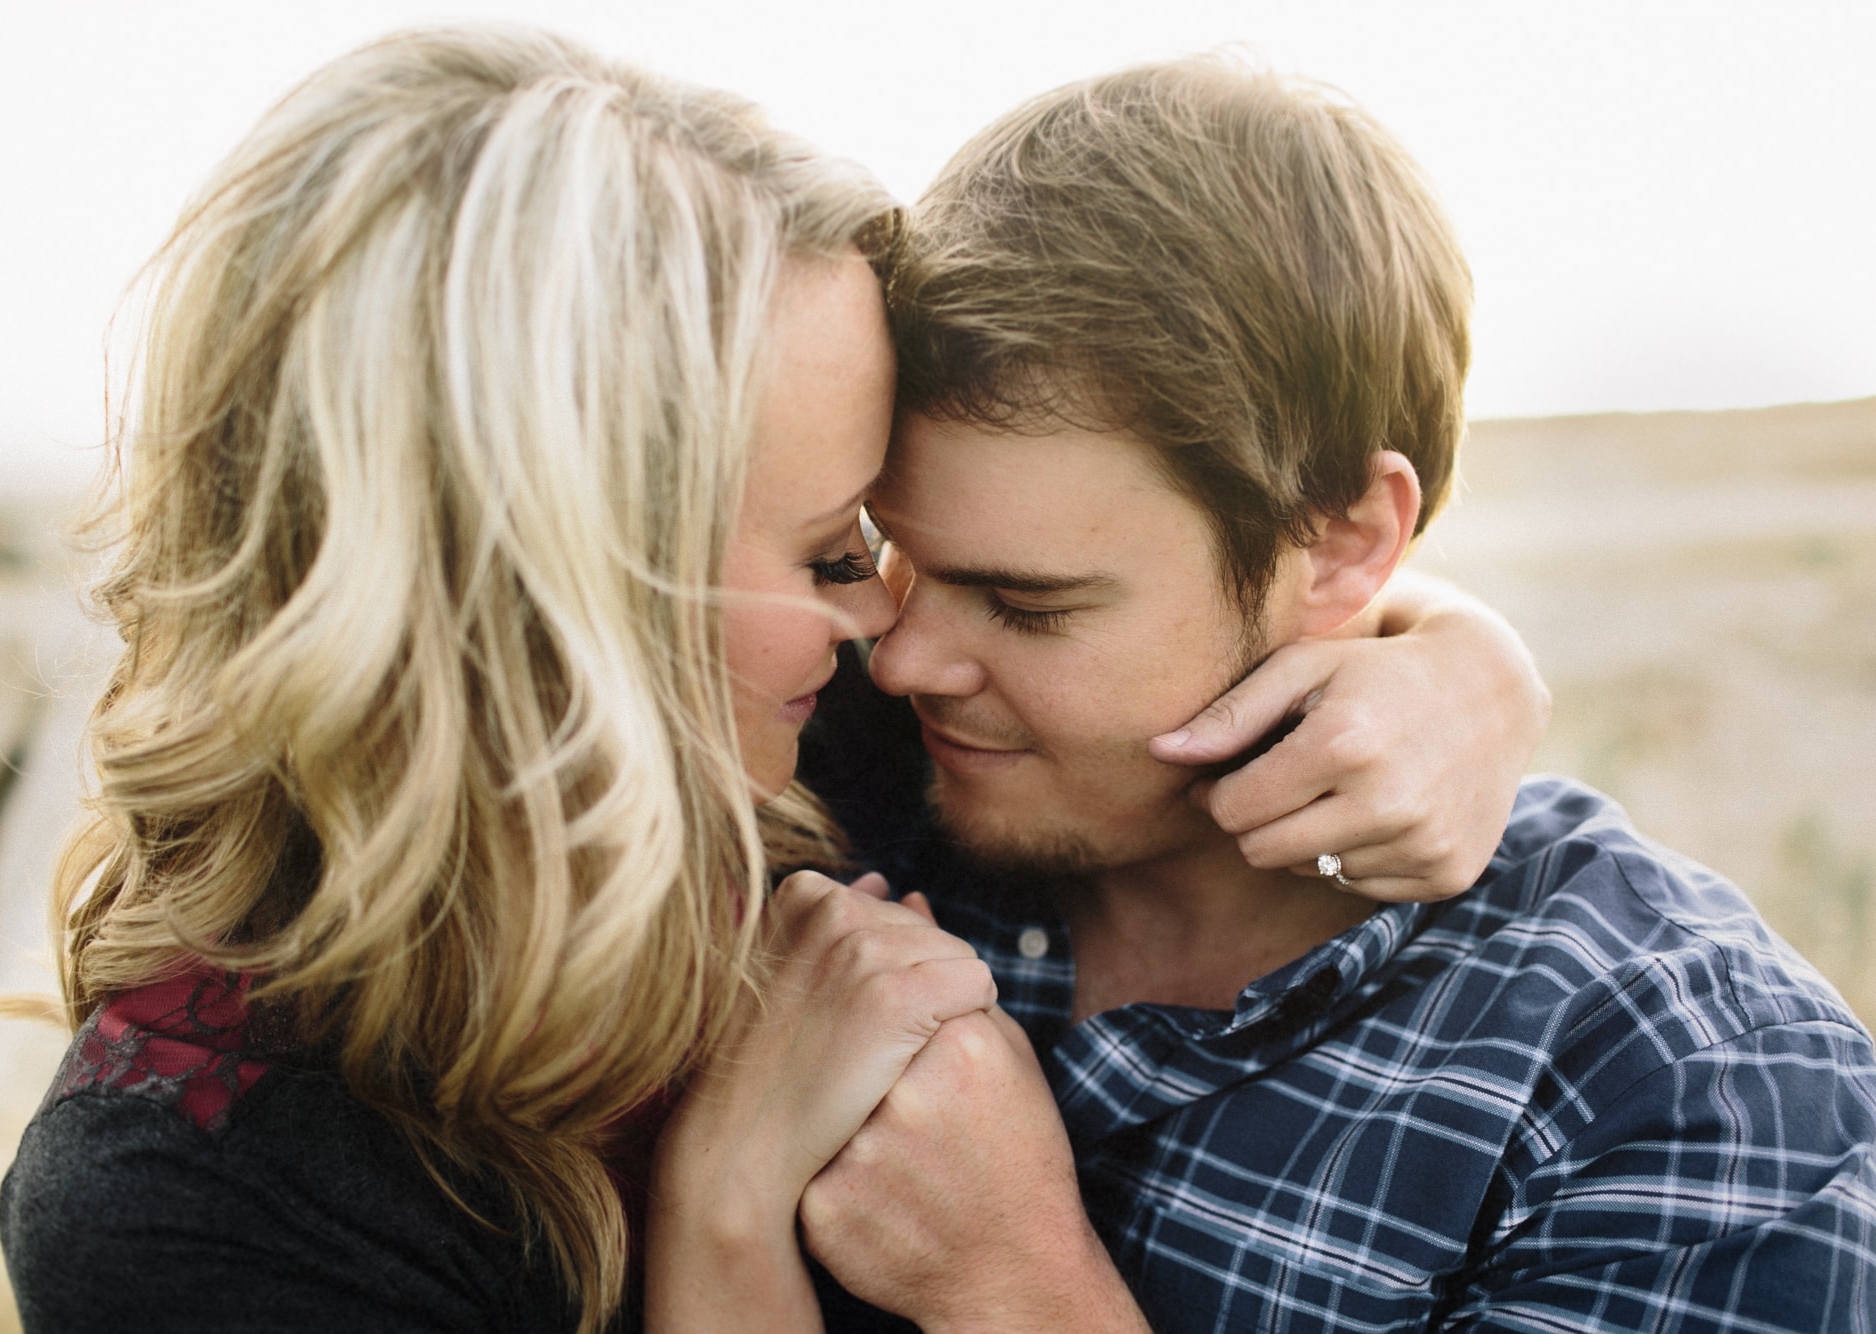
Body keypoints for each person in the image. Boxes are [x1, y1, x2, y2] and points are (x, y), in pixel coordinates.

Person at [0, 27, 1547, 1334]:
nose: (898, 631)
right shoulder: (195, 1197)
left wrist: (1461, 672)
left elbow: (1169, 572)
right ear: (552, 597)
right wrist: (728, 1213)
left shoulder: (810, 738)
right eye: (830, 552)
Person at [783, 56, 1876, 1333]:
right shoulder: (824, 786)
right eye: (885, 553)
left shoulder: (1682, 1079)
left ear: (1347, 542)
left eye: (1029, 604)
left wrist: (1016, 1287)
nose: (902, 658)